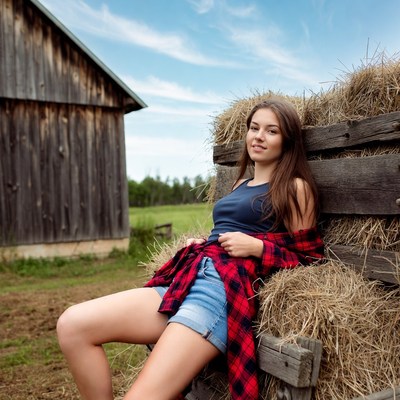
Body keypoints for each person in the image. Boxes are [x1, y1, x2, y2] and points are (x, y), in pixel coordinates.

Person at [57, 98, 325, 400]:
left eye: (271, 131)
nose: (258, 136)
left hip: (217, 294)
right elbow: (224, 231)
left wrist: (258, 247)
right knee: (72, 325)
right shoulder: (240, 184)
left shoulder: (295, 187)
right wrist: (203, 243)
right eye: (254, 128)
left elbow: (310, 256)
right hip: (187, 280)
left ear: (287, 140)